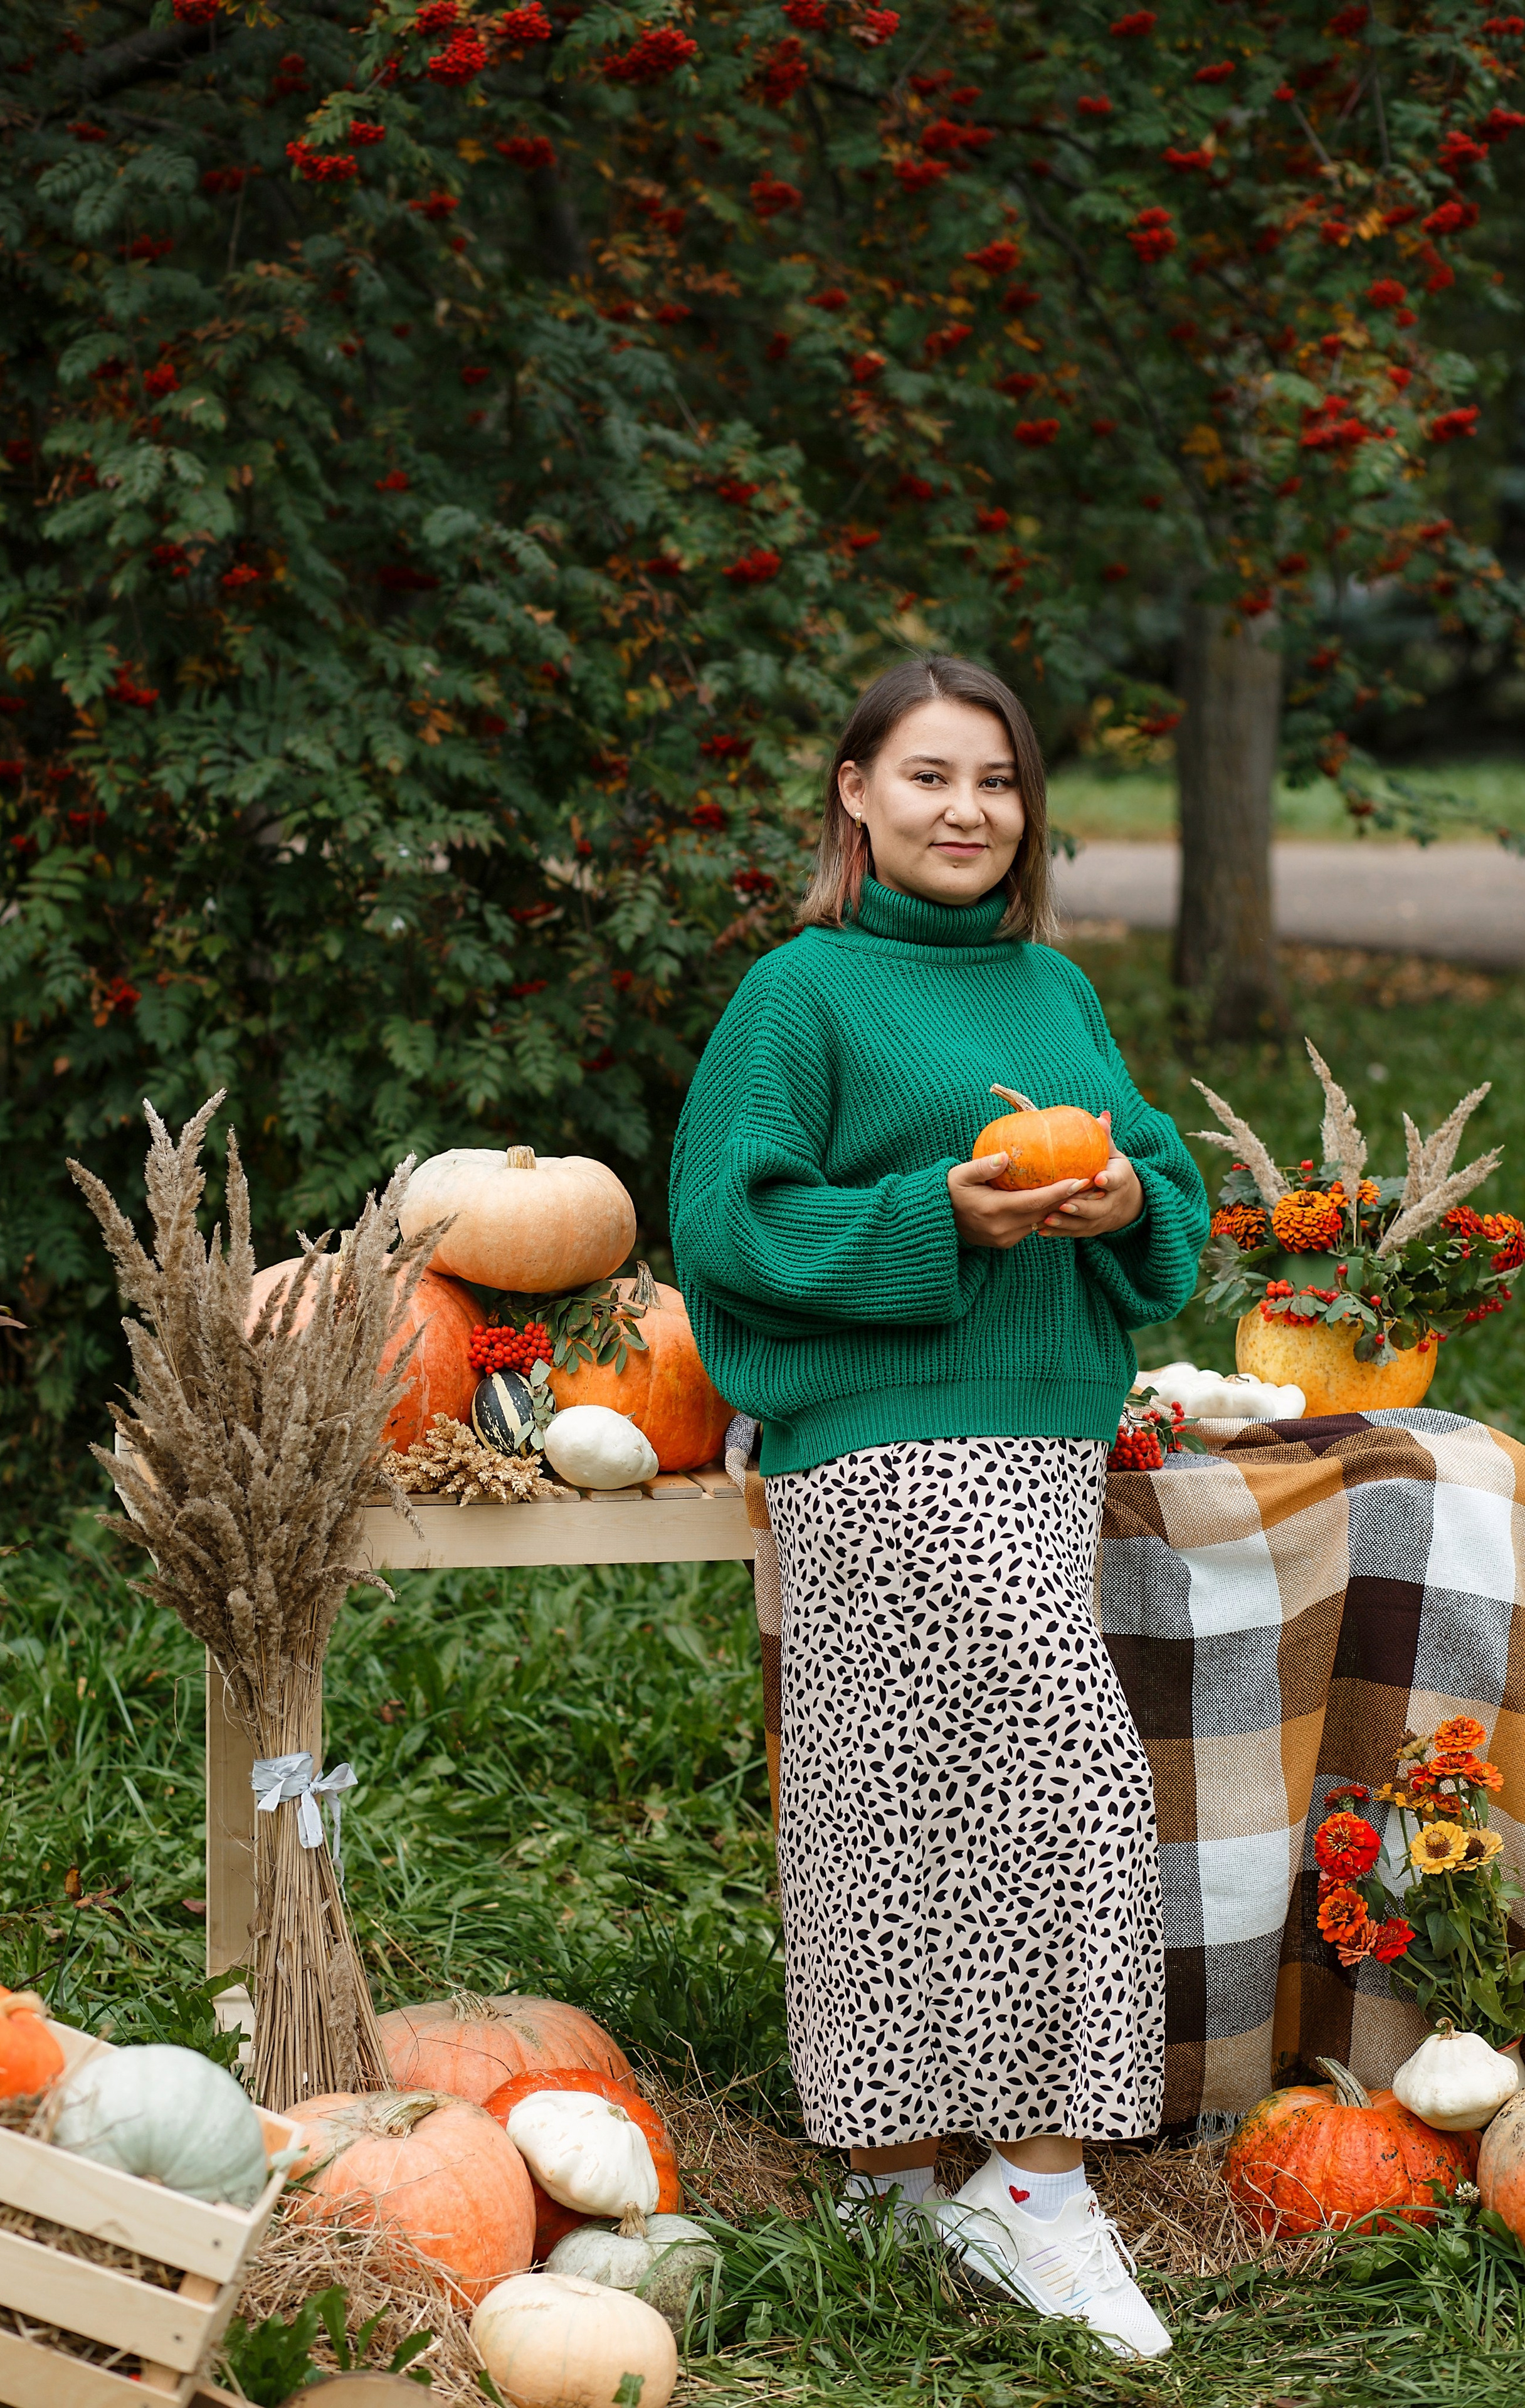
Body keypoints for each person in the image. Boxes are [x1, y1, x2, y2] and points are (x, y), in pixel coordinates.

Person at [669, 655, 1209, 2358]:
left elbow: (1169, 1194)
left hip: (1040, 1439)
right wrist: (939, 1223)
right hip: (885, 1445)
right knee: (1066, 1772)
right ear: (853, 794)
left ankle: (902, 2166)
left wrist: (1121, 1194)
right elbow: (732, 1229)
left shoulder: (1056, 995)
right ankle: (1037, 2181)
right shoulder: (802, 996)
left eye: (996, 780)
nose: (967, 809)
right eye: (926, 777)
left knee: (895, 1791)